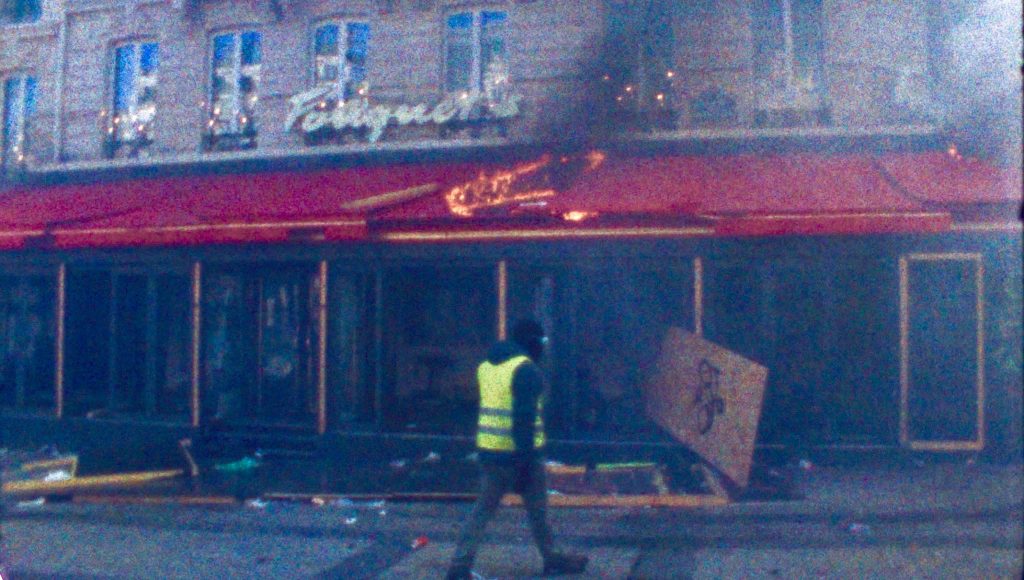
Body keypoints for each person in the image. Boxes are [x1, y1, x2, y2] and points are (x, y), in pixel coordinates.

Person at [446, 319, 588, 579]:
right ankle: (552, 558)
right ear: (533, 342)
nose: (543, 348)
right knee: (538, 511)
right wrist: (524, 464)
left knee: (482, 511)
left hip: (490, 452)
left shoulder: (486, 366)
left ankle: (459, 565)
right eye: (542, 342)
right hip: (521, 456)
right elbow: (523, 420)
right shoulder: (526, 371)